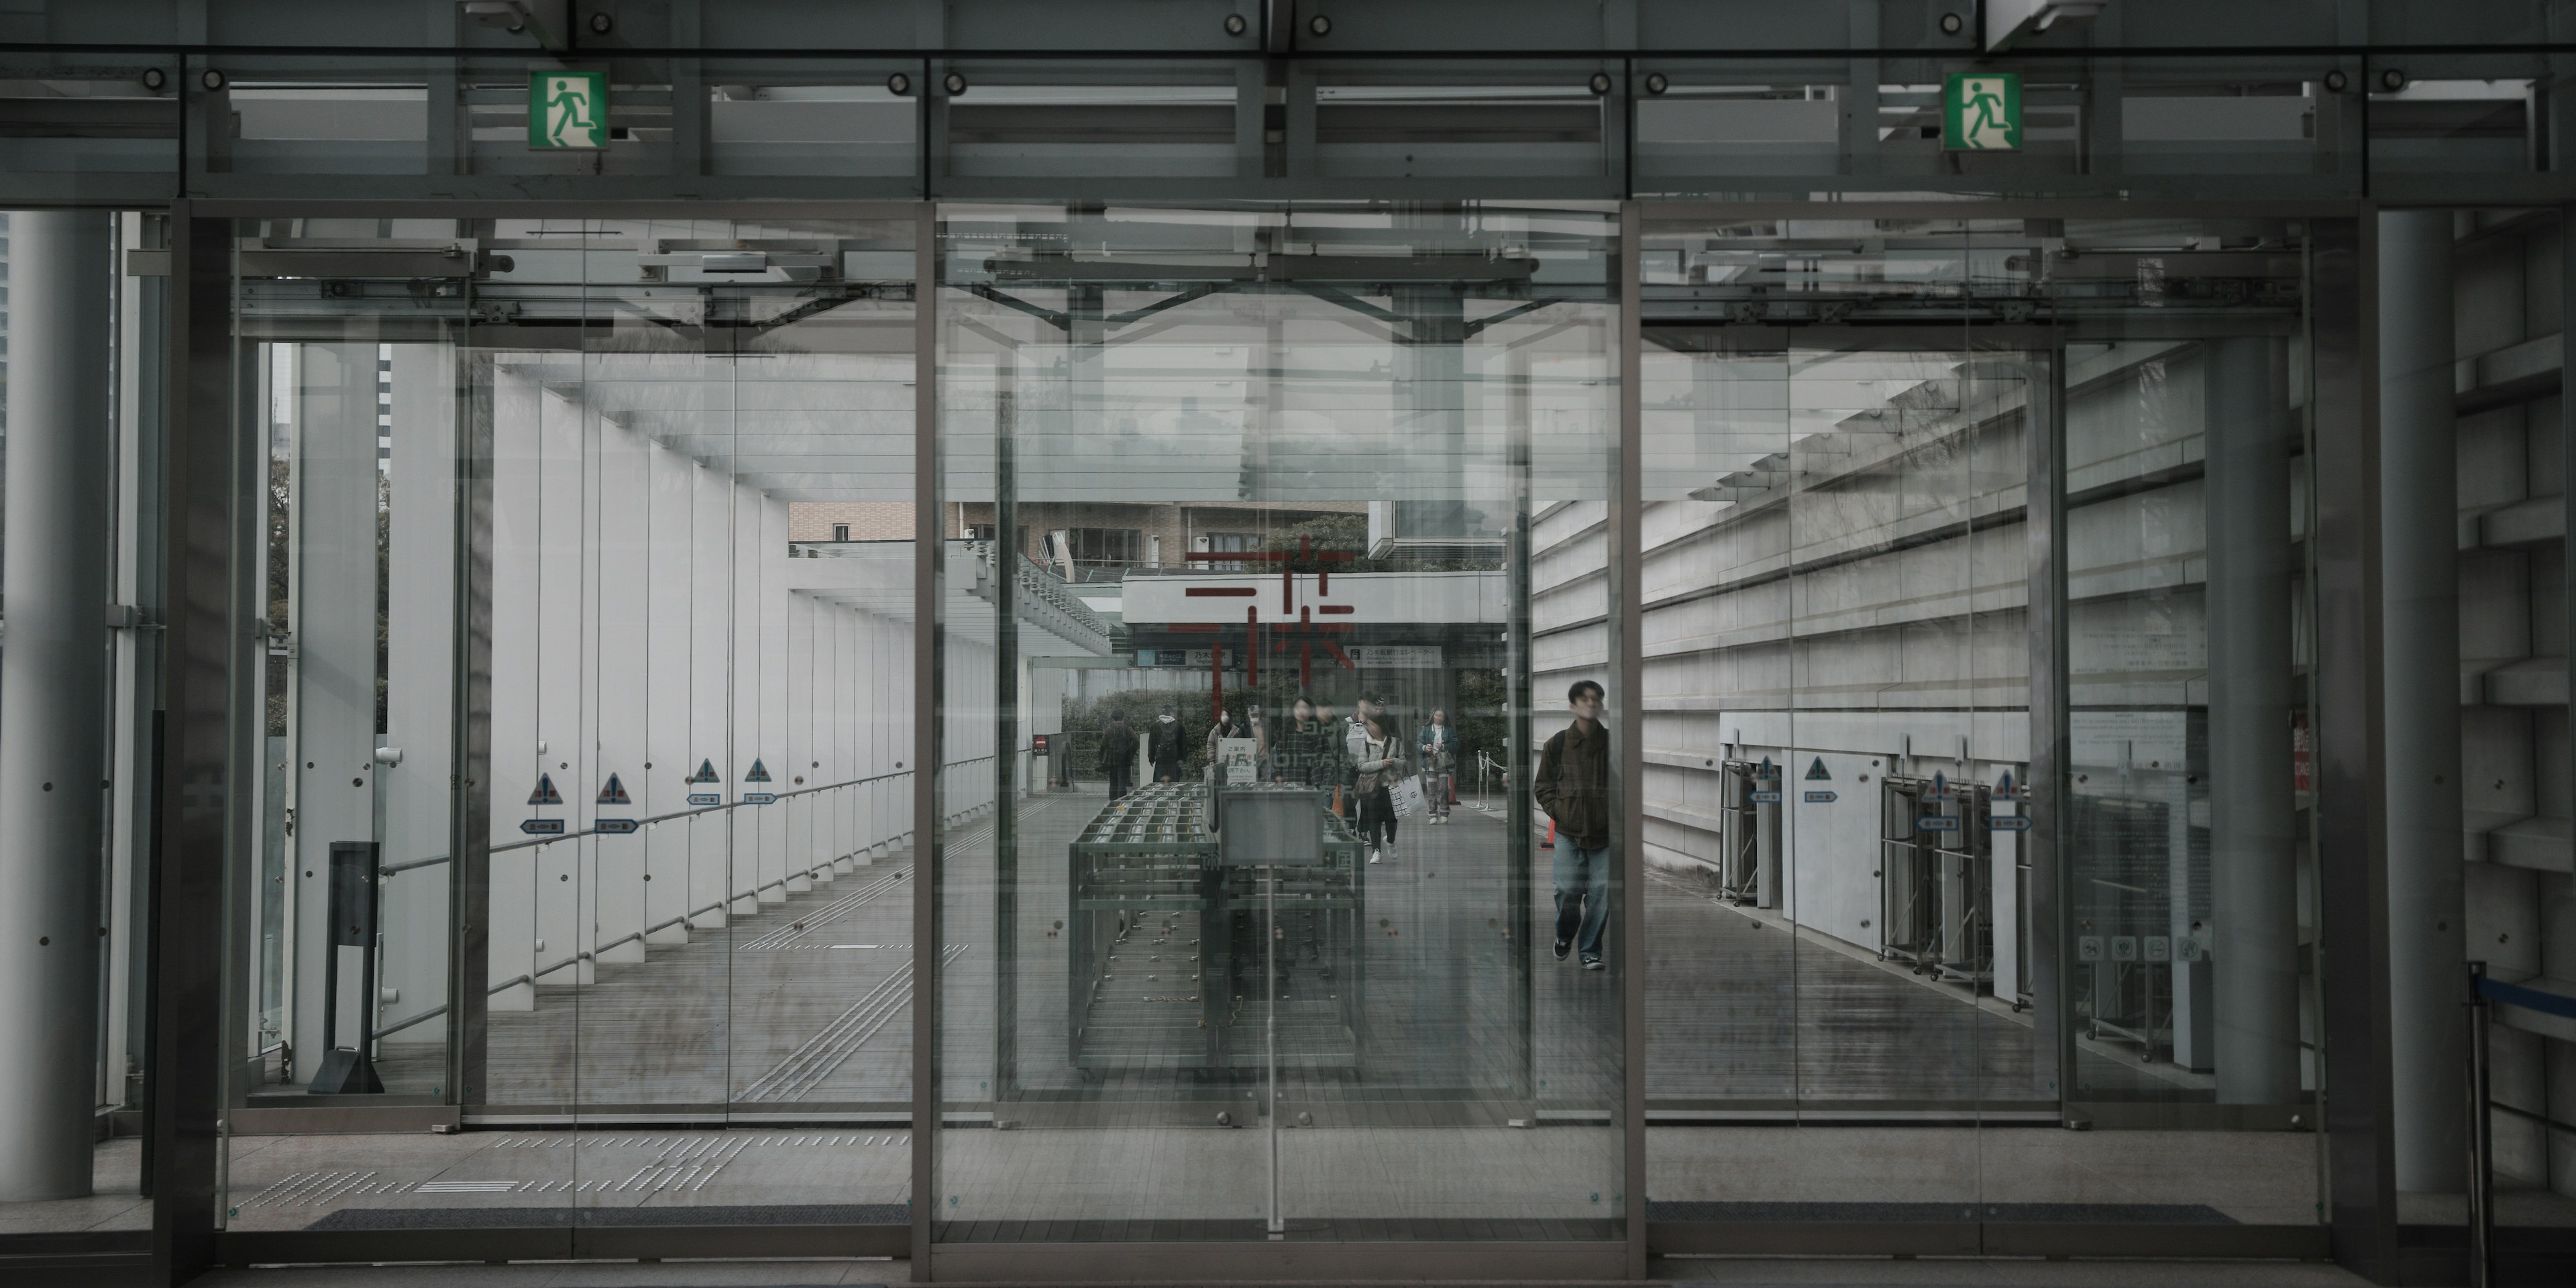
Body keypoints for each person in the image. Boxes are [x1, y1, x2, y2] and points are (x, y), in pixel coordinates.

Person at [1534, 680, 1611, 970]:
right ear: (1572, 706)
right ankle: (1565, 935)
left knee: (1601, 894)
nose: (1591, 703)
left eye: (1596, 699)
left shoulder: (1613, 744)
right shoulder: (1558, 744)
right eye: (1585, 699)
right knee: (1566, 891)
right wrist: (1560, 812)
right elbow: (1543, 786)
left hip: (1604, 834)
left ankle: (1590, 950)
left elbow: (1625, 784)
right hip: (1569, 832)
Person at [1350, 707, 1404, 865]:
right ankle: (1376, 851)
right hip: (1371, 787)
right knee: (1373, 819)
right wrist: (1381, 763)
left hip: (1391, 785)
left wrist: (1394, 762)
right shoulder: (1366, 744)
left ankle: (1391, 840)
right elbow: (1361, 765)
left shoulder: (1395, 742)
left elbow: (1403, 763)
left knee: (1392, 819)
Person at [1418, 708, 1456, 824]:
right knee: (1431, 789)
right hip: (1430, 762)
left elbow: (1456, 744)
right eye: (1437, 715)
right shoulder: (1426, 729)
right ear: (1432, 716)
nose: (1439, 718)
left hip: (1443, 762)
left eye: (1441, 716)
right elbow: (1418, 743)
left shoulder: (1449, 730)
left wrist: (1444, 746)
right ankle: (1433, 814)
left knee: (1444, 788)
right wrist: (1425, 747)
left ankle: (1444, 812)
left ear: (1445, 718)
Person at [1098, 712, 1137, 801]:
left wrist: (1102, 758)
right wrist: (1131, 752)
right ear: (1123, 718)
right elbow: (1136, 742)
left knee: (1113, 781)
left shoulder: (1108, 730)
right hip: (1125, 759)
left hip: (1112, 760)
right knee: (1122, 782)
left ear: (1113, 719)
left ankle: (1112, 801)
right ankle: (1122, 801)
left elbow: (1103, 745)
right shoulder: (1128, 729)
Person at [1147, 706, 1185, 784]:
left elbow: (1152, 743)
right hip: (1174, 757)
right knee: (1174, 781)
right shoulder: (1179, 726)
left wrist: (1151, 758)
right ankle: (1172, 796)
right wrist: (1183, 758)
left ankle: (1160, 795)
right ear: (1171, 713)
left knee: (1159, 781)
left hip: (1161, 757)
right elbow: (1183, 744)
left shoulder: (1155, 726)